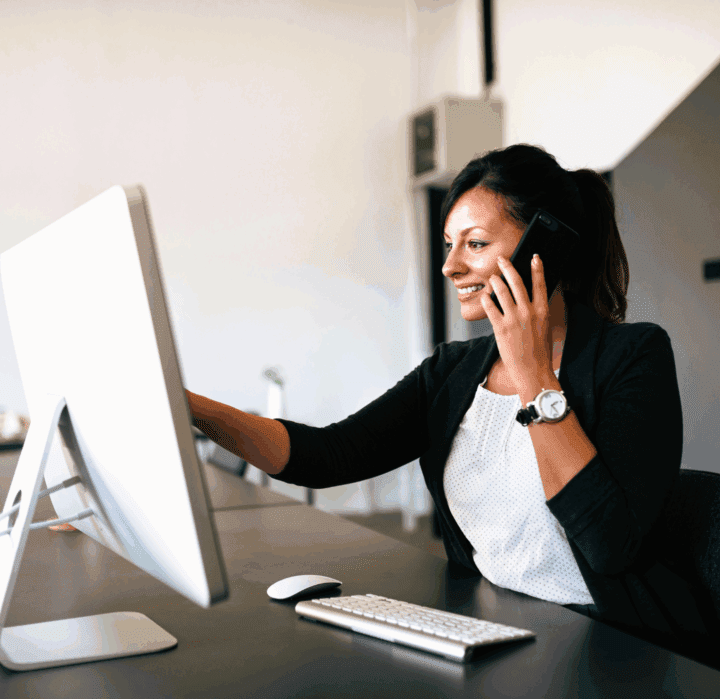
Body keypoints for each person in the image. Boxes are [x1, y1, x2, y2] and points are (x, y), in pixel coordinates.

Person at [187, 144, 694, 655]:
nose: (450, 266)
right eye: (449, 244)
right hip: (499, 628)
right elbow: (326, 455)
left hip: (613, 645)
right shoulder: (451, 371)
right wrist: (188, 406)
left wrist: (533, 374)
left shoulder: (634, 357)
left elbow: (608, 547)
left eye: (474, 244)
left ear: (546, 247)